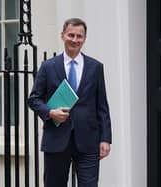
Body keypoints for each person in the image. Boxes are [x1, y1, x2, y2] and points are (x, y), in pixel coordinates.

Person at [28, 18, 112, 187]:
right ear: (63, 36)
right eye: (71, 35)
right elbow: (34, 99)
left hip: (88, 140)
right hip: (56, 139)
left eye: (79, 36)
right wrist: (51, 113)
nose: (75, 40)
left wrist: (105, 139)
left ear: (84, 39)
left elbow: (102, 106)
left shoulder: (96, 67)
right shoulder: (48, 66)